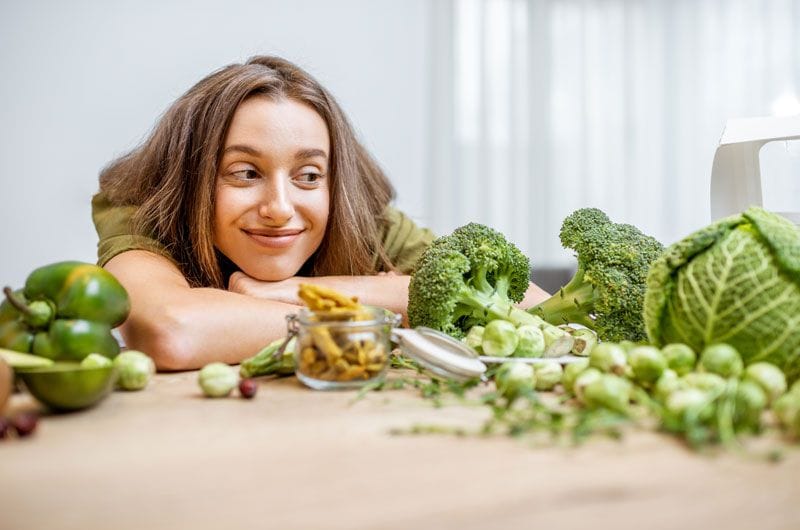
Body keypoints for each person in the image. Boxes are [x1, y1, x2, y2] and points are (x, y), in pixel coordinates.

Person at [93, 55, 548, 370]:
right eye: (245, 172)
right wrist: (387, 307)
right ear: (192, 176)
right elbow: (172, 331)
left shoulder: (365, 222)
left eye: (309, 176)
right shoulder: (141, 208)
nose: (279, 208)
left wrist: (301, 291)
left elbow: (533, 308)